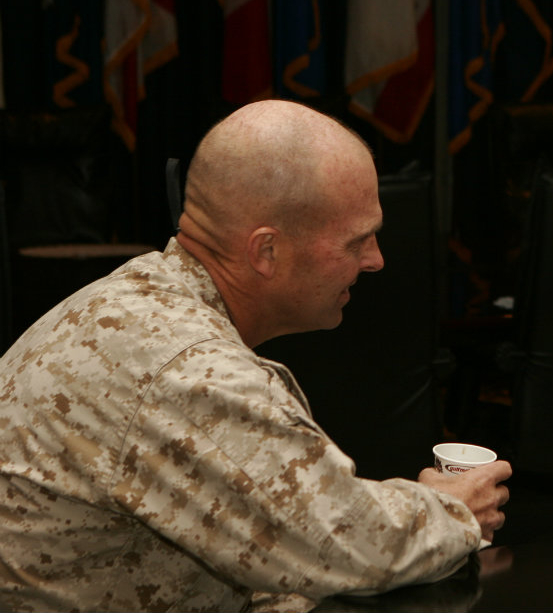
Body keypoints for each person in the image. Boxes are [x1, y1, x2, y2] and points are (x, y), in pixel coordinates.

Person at [0, 100, 512, 612]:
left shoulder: (134, 297)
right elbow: (348, 544)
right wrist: (454, 509)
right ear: (266, 251)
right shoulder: (190, 369)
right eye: (357, 241)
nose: (376, 260)